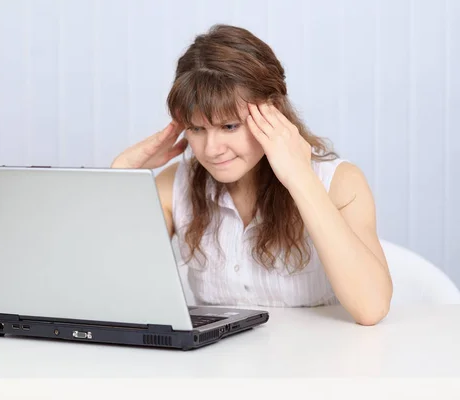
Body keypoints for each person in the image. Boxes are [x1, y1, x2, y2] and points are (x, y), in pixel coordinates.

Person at [111, 24, 392, 326]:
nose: (212, 149)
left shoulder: (340, 182)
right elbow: (115, 290)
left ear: (274, 112)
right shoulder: (173, 186)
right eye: (197, 129)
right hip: (214, 368)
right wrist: (122, 173)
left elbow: (371, 307)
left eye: (229, 126)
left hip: (319, 366)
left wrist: (298, 176)